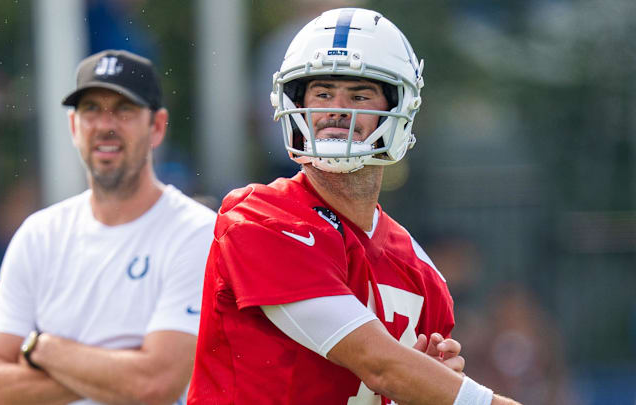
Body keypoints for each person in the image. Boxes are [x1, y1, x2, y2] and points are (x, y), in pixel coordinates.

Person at [188, 8, 521, 405]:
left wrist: (426, 388)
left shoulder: (422, 273)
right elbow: (380, 365)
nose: (336, 110)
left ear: (398, 108)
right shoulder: (259, 219)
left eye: (359, 95)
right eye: (323, 93)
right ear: (294, 104)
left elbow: (392, 378)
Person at [0, 49, 216, 405]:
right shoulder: (39, 234)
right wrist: (122, 369)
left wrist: (44, 347)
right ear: (73, 126)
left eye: (125, 110)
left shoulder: (196, 232)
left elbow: (156, 385)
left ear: (157, 127)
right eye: (91, 110)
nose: (105, 125)